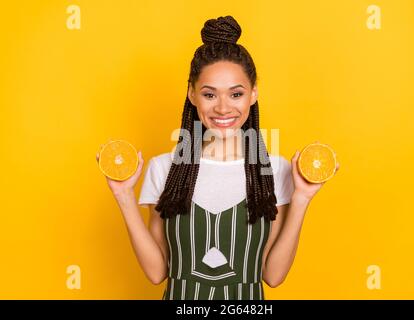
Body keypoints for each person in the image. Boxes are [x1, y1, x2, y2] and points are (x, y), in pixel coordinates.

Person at [96, 15, 339, 300]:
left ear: (253, 94)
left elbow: (273, 275)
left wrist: (302, 198)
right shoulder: (164, 168)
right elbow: (156, 272)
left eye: (236, 94)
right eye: (209, 95)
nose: (223, 108)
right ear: (192, 95)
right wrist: (123, 195)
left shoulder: (274, 169)